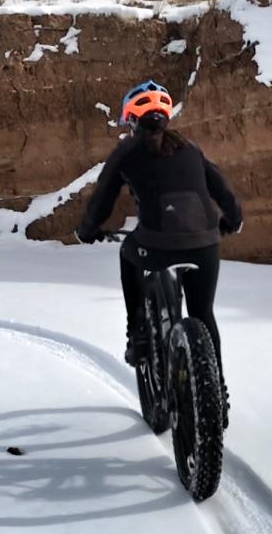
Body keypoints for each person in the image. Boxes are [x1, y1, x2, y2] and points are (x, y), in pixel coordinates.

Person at [75, 80, 243, 391]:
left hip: (156, 246)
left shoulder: (127, 151)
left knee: (128, 252)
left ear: (132, 119)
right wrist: (232, 221)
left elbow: (102, 199)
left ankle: (137, 333)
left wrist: (87, 231)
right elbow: (222, 189)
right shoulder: (190, 147)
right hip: (206, 245)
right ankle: (216, 392)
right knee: (203, 312)